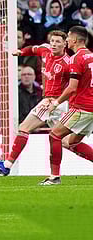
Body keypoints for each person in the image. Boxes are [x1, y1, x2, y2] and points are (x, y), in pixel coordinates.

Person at [0, 31, 69, 176]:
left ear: (65, 44)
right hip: (52, 102)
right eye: (52, 41)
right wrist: (21, 52)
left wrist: (57, 102)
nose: (54, 44)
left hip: (53, 101)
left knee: (24, 128)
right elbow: (32, 49)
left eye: (57, 42)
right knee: (67, 142)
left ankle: (7, 164)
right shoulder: (45, 50)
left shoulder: (67, 63)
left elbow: (74, 86)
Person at [40, 26, 93, 185]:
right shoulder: (91, 56)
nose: (67, 40)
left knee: (54, 135)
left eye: (68, 37)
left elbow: (71, 88)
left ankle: (54, 177)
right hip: (91, 107)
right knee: (72, 142)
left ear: (75, 40)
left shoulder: (77, 58)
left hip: (82, 107)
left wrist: (55, 103)